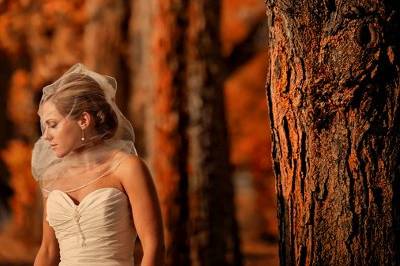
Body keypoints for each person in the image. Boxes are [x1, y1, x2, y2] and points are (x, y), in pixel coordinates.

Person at [32, 63, 164, 266]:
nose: (46, 136)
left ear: (84, 120)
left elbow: (154, 246)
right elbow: (48, 250)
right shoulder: (53, 178)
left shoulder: (128, 168)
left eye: (53, 124)